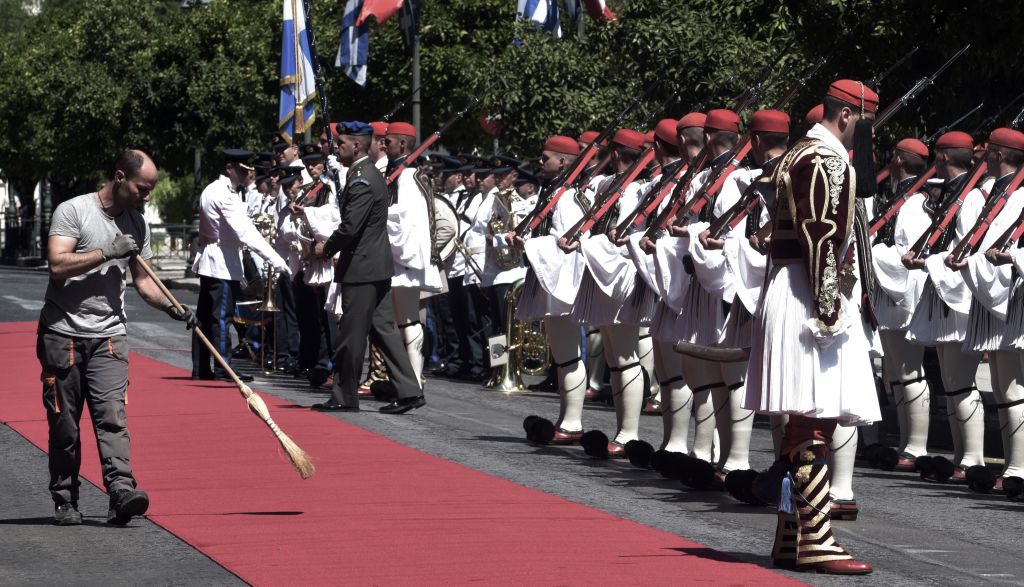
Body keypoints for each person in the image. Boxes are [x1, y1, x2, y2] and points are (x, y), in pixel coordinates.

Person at [744, 80, 880, 574]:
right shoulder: (825, 160)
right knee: (813, 421)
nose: (870, 134)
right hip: (809, 292)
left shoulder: (799, 153)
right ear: (847, 117)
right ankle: (816, 540)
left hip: (795, 287)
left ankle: (791, 538)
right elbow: (820, 234)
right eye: (867, 123)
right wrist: (829, 308)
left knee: (803, 421)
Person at [38, 150, 196, 525]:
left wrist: (172, 307)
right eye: (143, 189)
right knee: (65, 424)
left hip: (110, 335)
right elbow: (57, 266)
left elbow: (144, 280)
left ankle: (121, 492)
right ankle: (65, 498)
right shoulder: (73, 211)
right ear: (120, 176)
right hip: (64, 335)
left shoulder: (137, 223)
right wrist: (107, 250)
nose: (147, 197)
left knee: (112, 417)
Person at [312, 121, 425, 414]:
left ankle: (344, 395)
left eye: (341, 145)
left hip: (361, 268)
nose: (336, 149)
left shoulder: (362, 178)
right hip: (375, 266)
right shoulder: (366, 174)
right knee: (384, 332)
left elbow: (350, 227)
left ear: (357, 146)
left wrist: (327, 248)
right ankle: (410, 391)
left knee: (350, 336)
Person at [191, 149, 290, 382]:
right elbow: (246, 233)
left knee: (206, 317)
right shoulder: (225, 195)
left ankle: (202, 366)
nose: (250, 174)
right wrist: (274, 259)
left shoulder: (216, 189)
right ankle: (223, 366)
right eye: (244, 170)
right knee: (221, 318)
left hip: (215, 258)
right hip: (221, 262)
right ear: (230, 169)